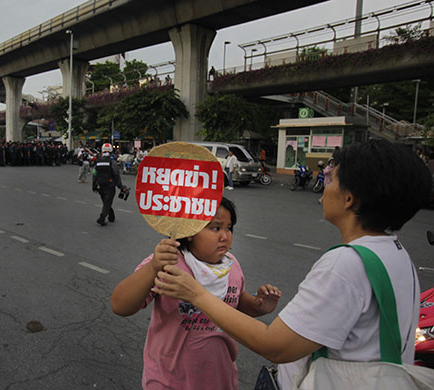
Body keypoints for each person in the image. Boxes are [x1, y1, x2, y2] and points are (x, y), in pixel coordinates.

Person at [152, 139, 432, 389]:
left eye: (332, 178)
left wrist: (196, 294)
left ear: (349, 199)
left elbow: (275, 345)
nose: (324, 184)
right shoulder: (397, 255)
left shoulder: (347, 263)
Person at [111, 197, 281, 390]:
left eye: (229, 228)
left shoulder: (231, 265)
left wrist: (258, 306)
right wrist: (153, 268)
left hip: (220, 380)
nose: (225, 236)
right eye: (216, 228)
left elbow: (236, 302)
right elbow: (120, 305)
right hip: (168, 382)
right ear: (190, 231)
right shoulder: (169, 263)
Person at [92, 143, 126, 226]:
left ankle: (111, 216)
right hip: (110, 186)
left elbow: (94, 174)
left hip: (101, 185)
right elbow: (116, 175)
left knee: (106, 202)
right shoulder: (112, 162)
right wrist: (121, 187)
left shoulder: (98, 162)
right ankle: (102, 218)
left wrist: (94, 186)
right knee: (107, 203)